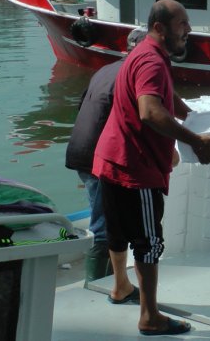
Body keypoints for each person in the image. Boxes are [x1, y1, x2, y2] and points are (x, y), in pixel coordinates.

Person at [92, 0, 210, 337]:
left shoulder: (143, 55)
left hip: (110, 159)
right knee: (148, 241)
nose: (188, 30)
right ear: (159, 28)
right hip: (137, 168)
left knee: (118, 231)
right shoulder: (152, 60)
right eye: (182, 24)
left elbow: (163, 98)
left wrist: (192, 114)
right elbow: (150, 111)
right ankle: (150, 316)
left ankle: (120, 287)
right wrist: (195, 139)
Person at [65, 60, 123, 284]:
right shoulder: (134, 73)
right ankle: (98, 283)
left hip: (80, 149)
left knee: (99, 213)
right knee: (104, 222)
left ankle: (104, 279)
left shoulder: (105, 70)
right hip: (98, 156)